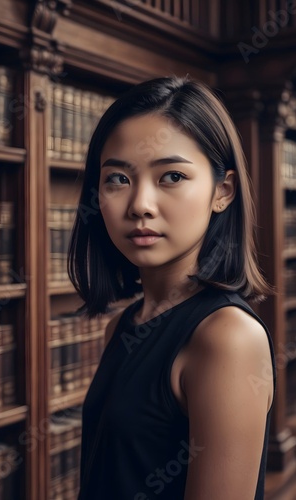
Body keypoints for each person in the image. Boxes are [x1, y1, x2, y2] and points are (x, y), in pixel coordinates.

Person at [68, 76, 276, 500]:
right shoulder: (124, 324)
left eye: (172, 176)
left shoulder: (228, 338)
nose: (140, 204)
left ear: (222, 191)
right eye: (117, 180)